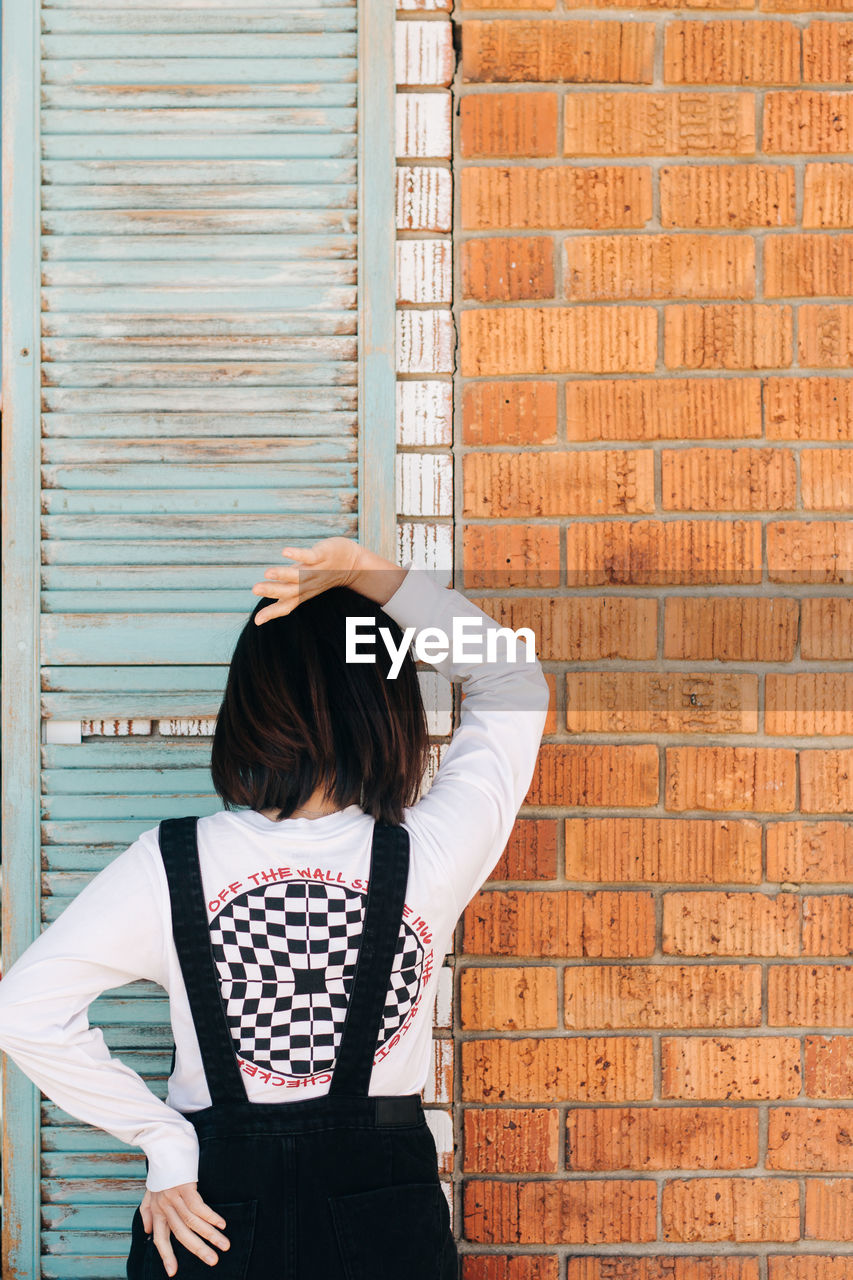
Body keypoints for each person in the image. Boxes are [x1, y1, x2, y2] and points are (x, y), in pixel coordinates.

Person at [0, 536, 550, 1279]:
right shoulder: (433, 848)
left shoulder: (170, 862)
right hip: (383, 1219)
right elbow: (510, 676)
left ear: (249, 704)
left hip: (209, 1218)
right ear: (383, 707)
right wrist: (371, 577)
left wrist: (164, 1140)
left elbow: (24, 1011)